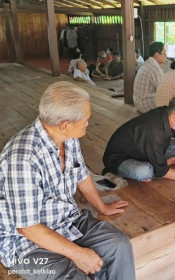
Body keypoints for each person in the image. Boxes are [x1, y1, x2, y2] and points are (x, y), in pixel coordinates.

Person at [0, 81, 135, 279]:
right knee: (72, 275)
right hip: (24, 244)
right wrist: (77, 253)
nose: (88, 123)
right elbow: (27, 227)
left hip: (65, 221)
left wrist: (102, 207)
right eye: (86, 119)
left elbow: (81, 175)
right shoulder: (22, 160)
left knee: (118, 245)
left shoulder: (68, 138)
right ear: (65, 125)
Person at [103, 91, 175, 182]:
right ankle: (156, 166)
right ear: (174, 117)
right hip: (120, 159)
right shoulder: (153, 131)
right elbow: (163, 172)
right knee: (145, 172)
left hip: (143, 151)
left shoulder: (167, 114)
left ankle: (157, 163)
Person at [133, 42, 166, 113]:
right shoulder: (154, 68)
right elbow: (163, 89)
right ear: (157, 55)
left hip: (139, 102)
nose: (166, 55)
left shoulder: (148, 63)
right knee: (171, 100)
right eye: (164, 53)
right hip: (145, 105)